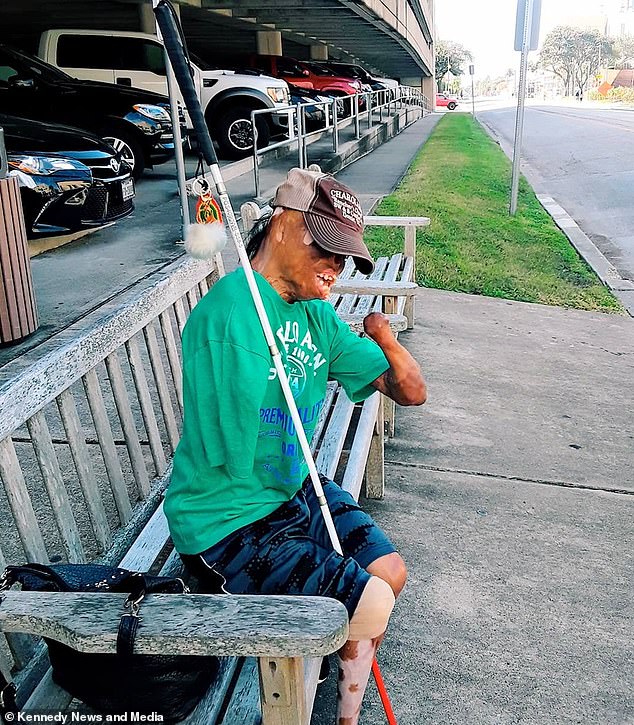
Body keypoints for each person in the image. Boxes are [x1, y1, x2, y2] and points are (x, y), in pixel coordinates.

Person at [164, 167, 427, 724]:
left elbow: (410, 391)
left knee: (390, 572)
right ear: (283, 227)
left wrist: (383, 336)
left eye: (345, 257)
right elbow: (233, 458)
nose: (336, 267)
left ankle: (343, 697)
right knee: (371, 601)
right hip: (227, 521)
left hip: (289, 488)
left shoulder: (315, 314)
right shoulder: (231, 315)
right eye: (326, 250)